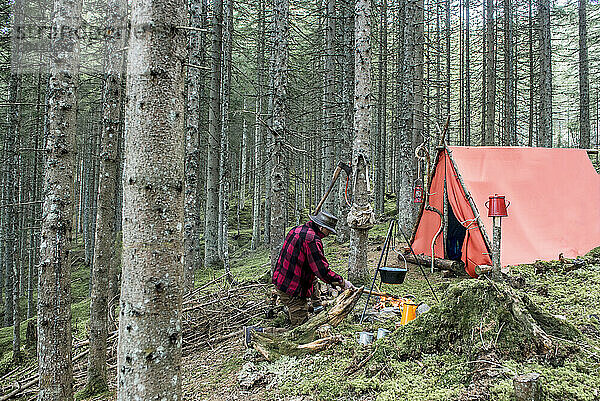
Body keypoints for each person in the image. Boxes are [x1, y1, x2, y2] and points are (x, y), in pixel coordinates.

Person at [271, 210, 355, 327]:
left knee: (312, 285)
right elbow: (322, 271)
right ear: (321, 227)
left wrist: (317, 303)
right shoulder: (312, 240)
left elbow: (313, 272)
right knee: (301, 329)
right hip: (291, 289)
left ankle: (307, 309)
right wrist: (342, 282)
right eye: (328, 230)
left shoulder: (297, 229)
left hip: (282, 280)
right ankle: (260, 333)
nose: (329, 234)